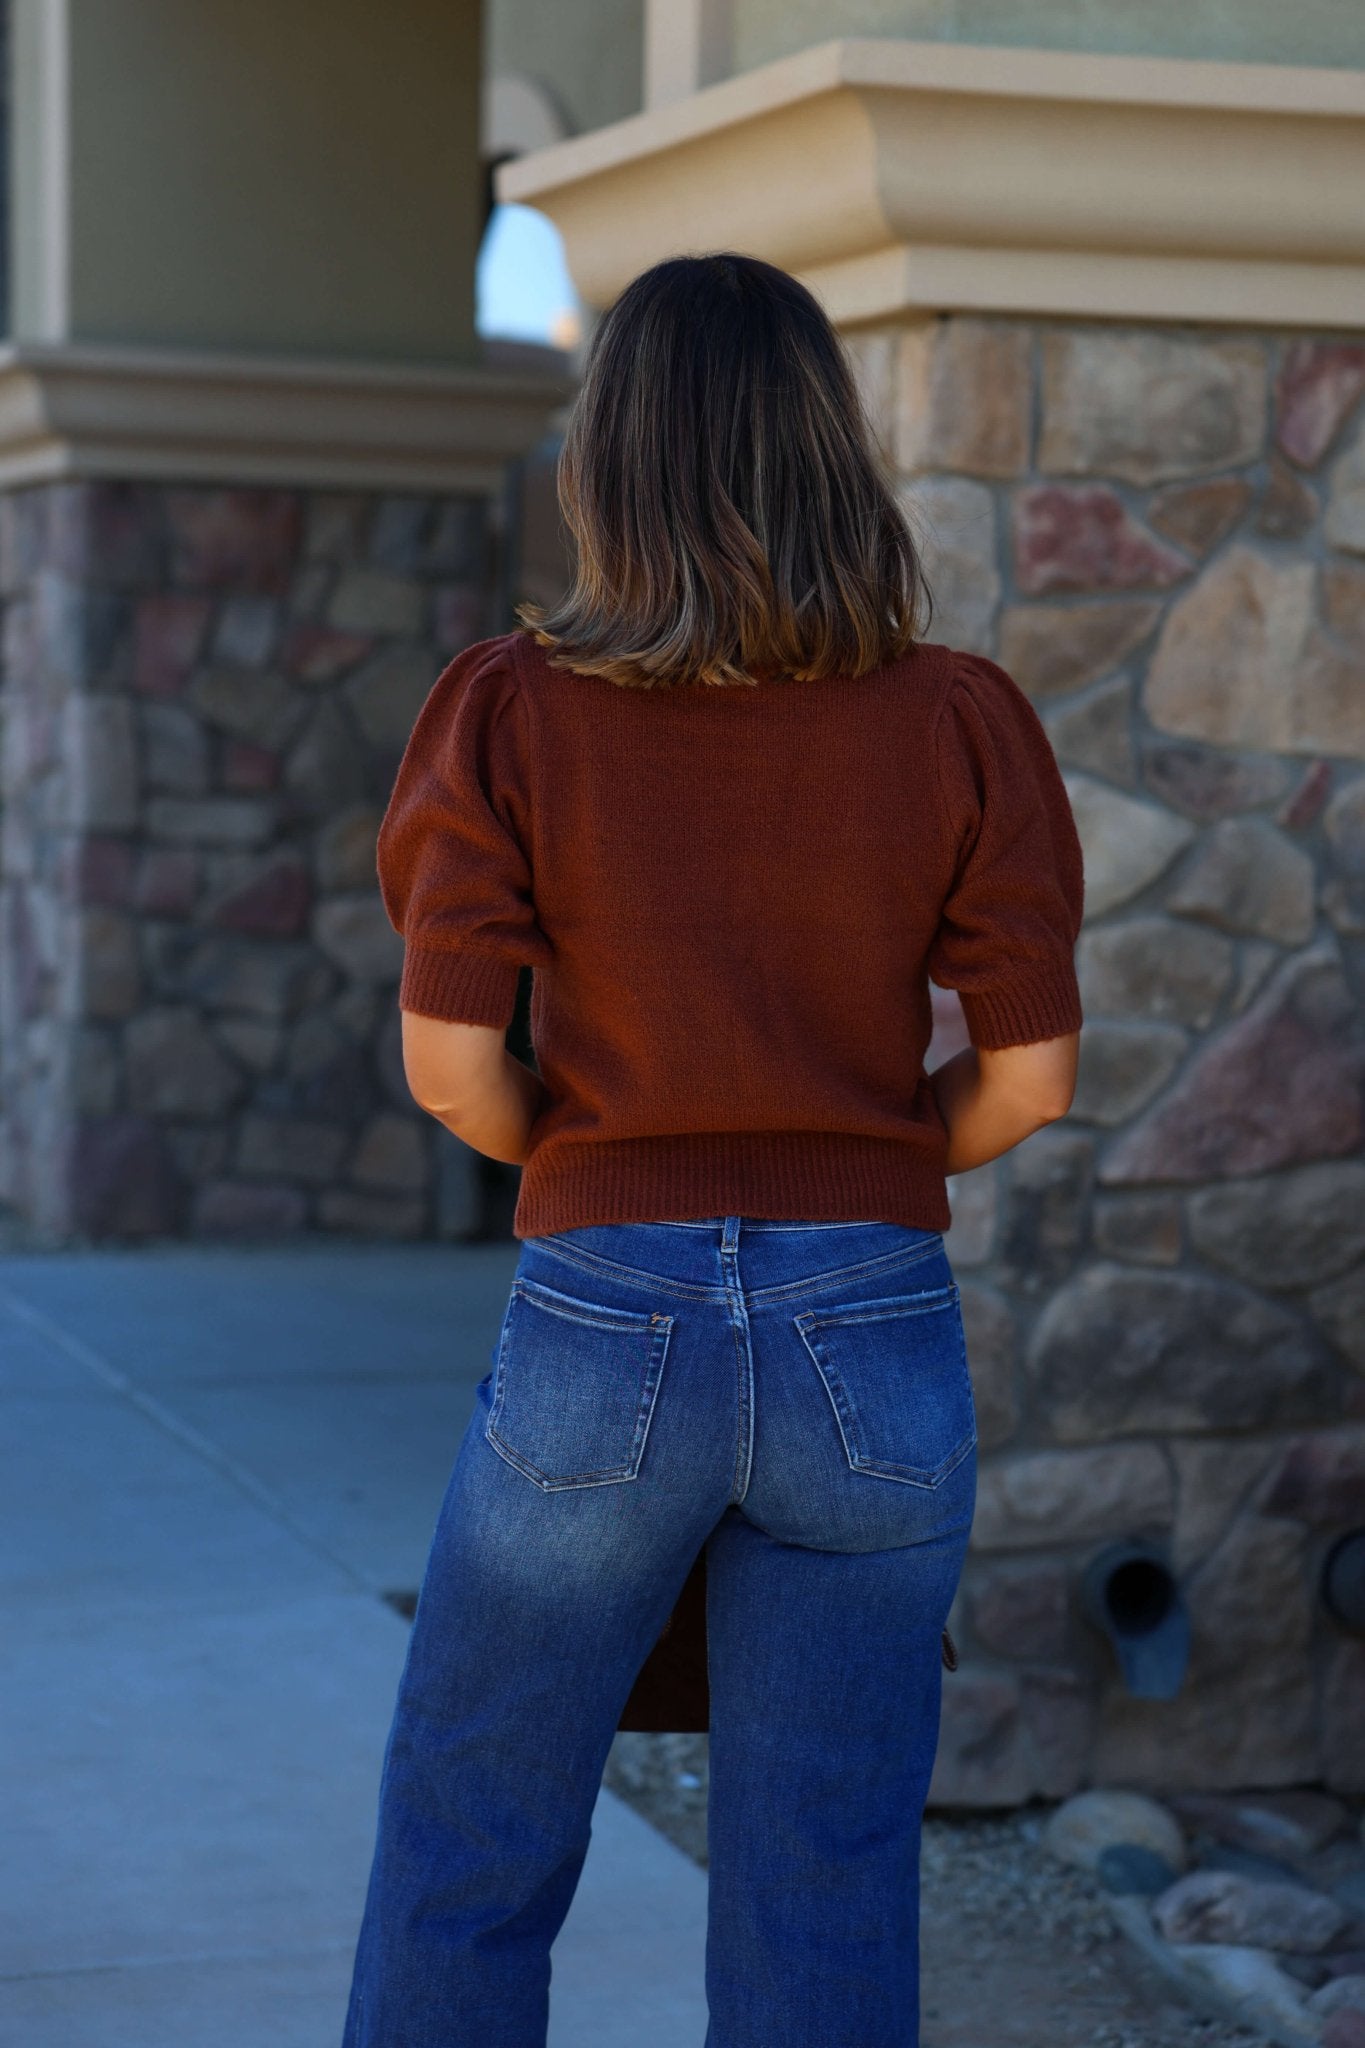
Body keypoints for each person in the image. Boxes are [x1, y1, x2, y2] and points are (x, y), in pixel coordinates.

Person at [341, 251, 1084, 2048]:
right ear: (827, 449)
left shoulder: (510, 710)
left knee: (475, 1833)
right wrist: (868, 1161)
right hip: (874, 1327)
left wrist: (591, 1160)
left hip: (608, 1311)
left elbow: (452, 1069)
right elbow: (1028, 1084)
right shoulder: (961, 718)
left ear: (613, 461)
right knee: (822, 1869)